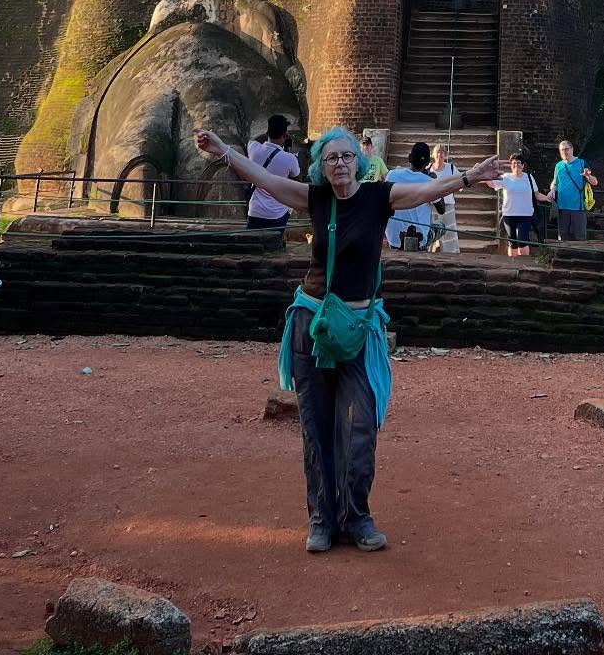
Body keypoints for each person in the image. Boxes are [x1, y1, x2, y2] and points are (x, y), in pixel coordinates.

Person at [194, 123, 504, 552]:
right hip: (313, 323)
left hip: (359, 328)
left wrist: (471, 175)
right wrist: (222, 149)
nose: (339, 163)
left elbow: (429, 193)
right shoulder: (315, 198)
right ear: (321, 166)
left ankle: (356, 515)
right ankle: (322, 519)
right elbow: (263, 179)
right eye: (330, 157)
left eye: (345, 156)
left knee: (359, 425)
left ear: (358, 162)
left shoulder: (381, 197)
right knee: (316, 428)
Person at [246, 116, 300, 240]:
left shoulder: (254, 150)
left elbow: (254, 140)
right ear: (285, 134)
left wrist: (267, 134)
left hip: (255, 211)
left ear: (268, 132)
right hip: (277, 213)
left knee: (250, 245)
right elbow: (297, 183)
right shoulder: (290, 159)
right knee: (273, 246)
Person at [385, 141, 436, 250]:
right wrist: (434, 180)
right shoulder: (430, 181)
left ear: (409, 158)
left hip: (394, 239)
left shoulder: (392, 174)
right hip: (419, 241)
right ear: (428, 163)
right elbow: (441, 209)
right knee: (441, 226)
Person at [544, 140, 597, 242]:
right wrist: (552, 191)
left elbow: (595, 182)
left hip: (578, 206)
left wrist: (588, 176)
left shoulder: (582, 163)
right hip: (562, 206)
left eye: (567, 149)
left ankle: (580, 256)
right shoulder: (558, 166)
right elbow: (555, 182)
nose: (564, 152)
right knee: (563, 236)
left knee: (579, 236)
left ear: (572, 149)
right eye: (562, 150)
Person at [490, 153, 538, 256]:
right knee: (513, 242)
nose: (517, 165)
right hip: (509, 214)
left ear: (523, 165)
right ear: (511, 166)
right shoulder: (505, 177)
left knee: (522, 241)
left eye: (519, 163)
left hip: (525, 214)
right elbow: (491, 183)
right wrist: (480, 176)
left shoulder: (529, 177)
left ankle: (525, 265)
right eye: (514, 163)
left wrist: (547, 198)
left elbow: (537, 194)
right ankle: (513, 264)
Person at [429, 143, 463, 253]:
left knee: (449, 233)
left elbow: (461, 183)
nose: (440, 154)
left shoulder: (451, 168)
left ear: (446, 155)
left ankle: (450, 255)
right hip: (431, 206)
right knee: (429, 231)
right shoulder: (428, 169)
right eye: (438, 152)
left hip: (447, 205)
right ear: (433, 155)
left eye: (442, 152)